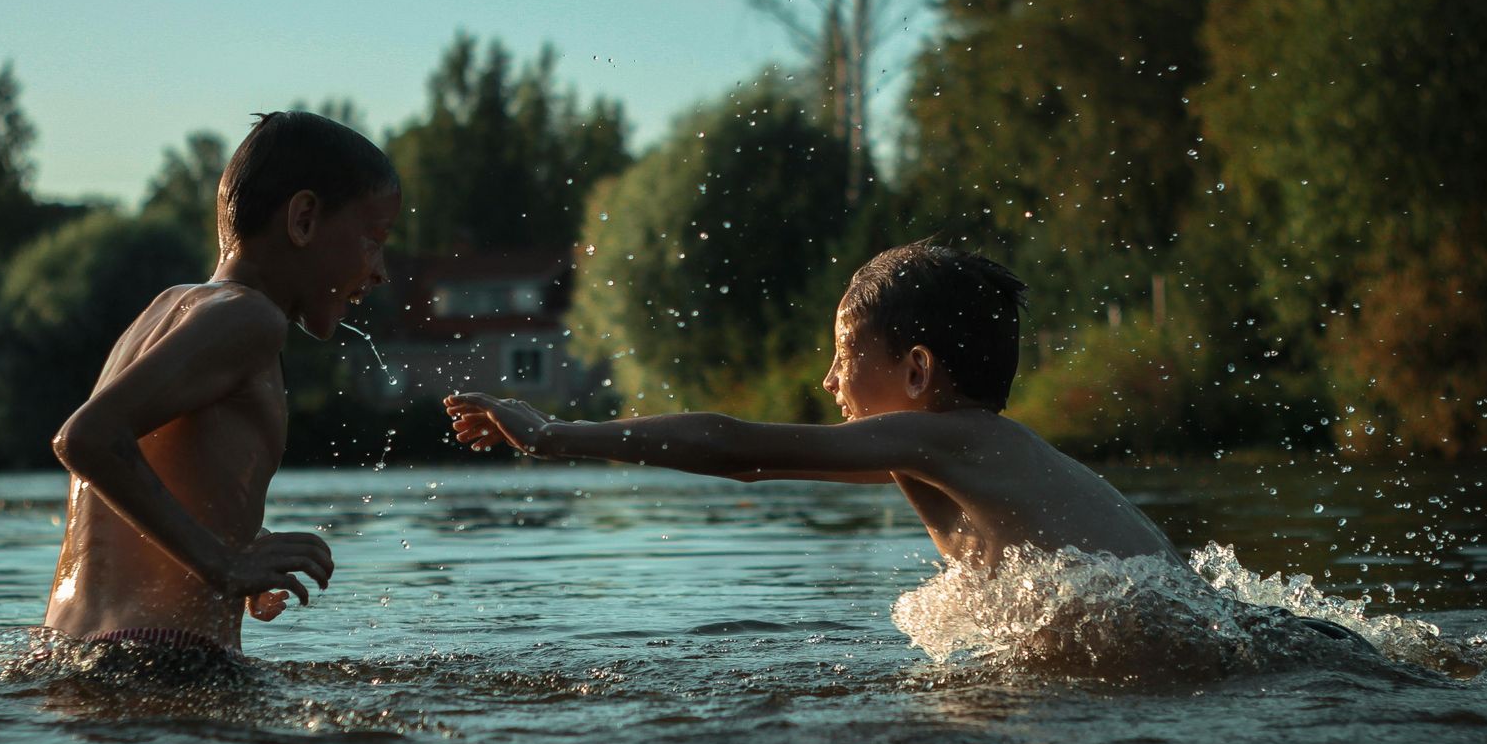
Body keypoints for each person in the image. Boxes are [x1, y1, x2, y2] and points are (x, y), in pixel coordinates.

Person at [444, 241, 1179, 570]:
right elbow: (755, 459)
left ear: (916, 371)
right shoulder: (973, 454)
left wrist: (555, 433)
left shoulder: (944, 441)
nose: (829, 382)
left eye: (845, 355)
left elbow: (738, 450)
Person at [43, 111, 400, 656]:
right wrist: (223, 564)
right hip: (162, 656)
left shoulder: (169, 308)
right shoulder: (251, 318)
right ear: (304, 219)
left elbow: (160, 463)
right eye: (374, 240)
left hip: (76, 651)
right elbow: (87, 438)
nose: (380, 271)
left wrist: (241, 545)